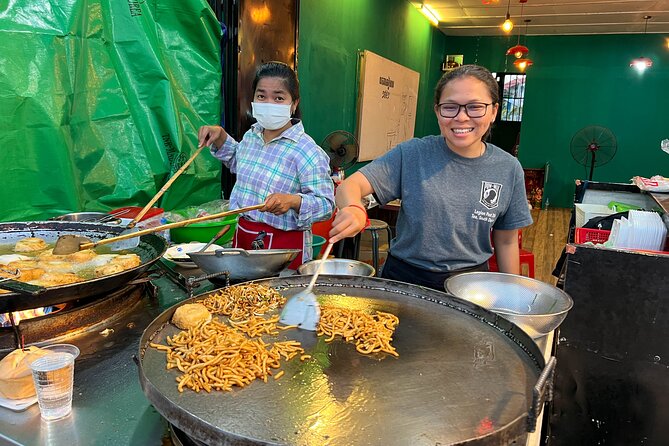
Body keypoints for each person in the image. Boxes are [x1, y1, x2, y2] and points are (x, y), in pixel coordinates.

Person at [329, 64, 533, 290]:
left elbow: (506, 241)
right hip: (404, 279)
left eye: (475, 107)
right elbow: (349, 186)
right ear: (437, 111)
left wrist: (512, 295)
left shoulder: (508, 168)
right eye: (450, 107)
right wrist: (354, 209)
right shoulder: (412, 154)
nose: (462, 117)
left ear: (494, 111)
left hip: (471, 286)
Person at [198, 61, 335, 268]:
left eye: (279, 98)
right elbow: (238, 161)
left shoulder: (307, 152)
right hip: (243, 238)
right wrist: (221, 137)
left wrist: (293, 201)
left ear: (294, 104)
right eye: (261, 96)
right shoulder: (252, 135)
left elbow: (326, 205)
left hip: (284, 250)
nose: (269, 103)